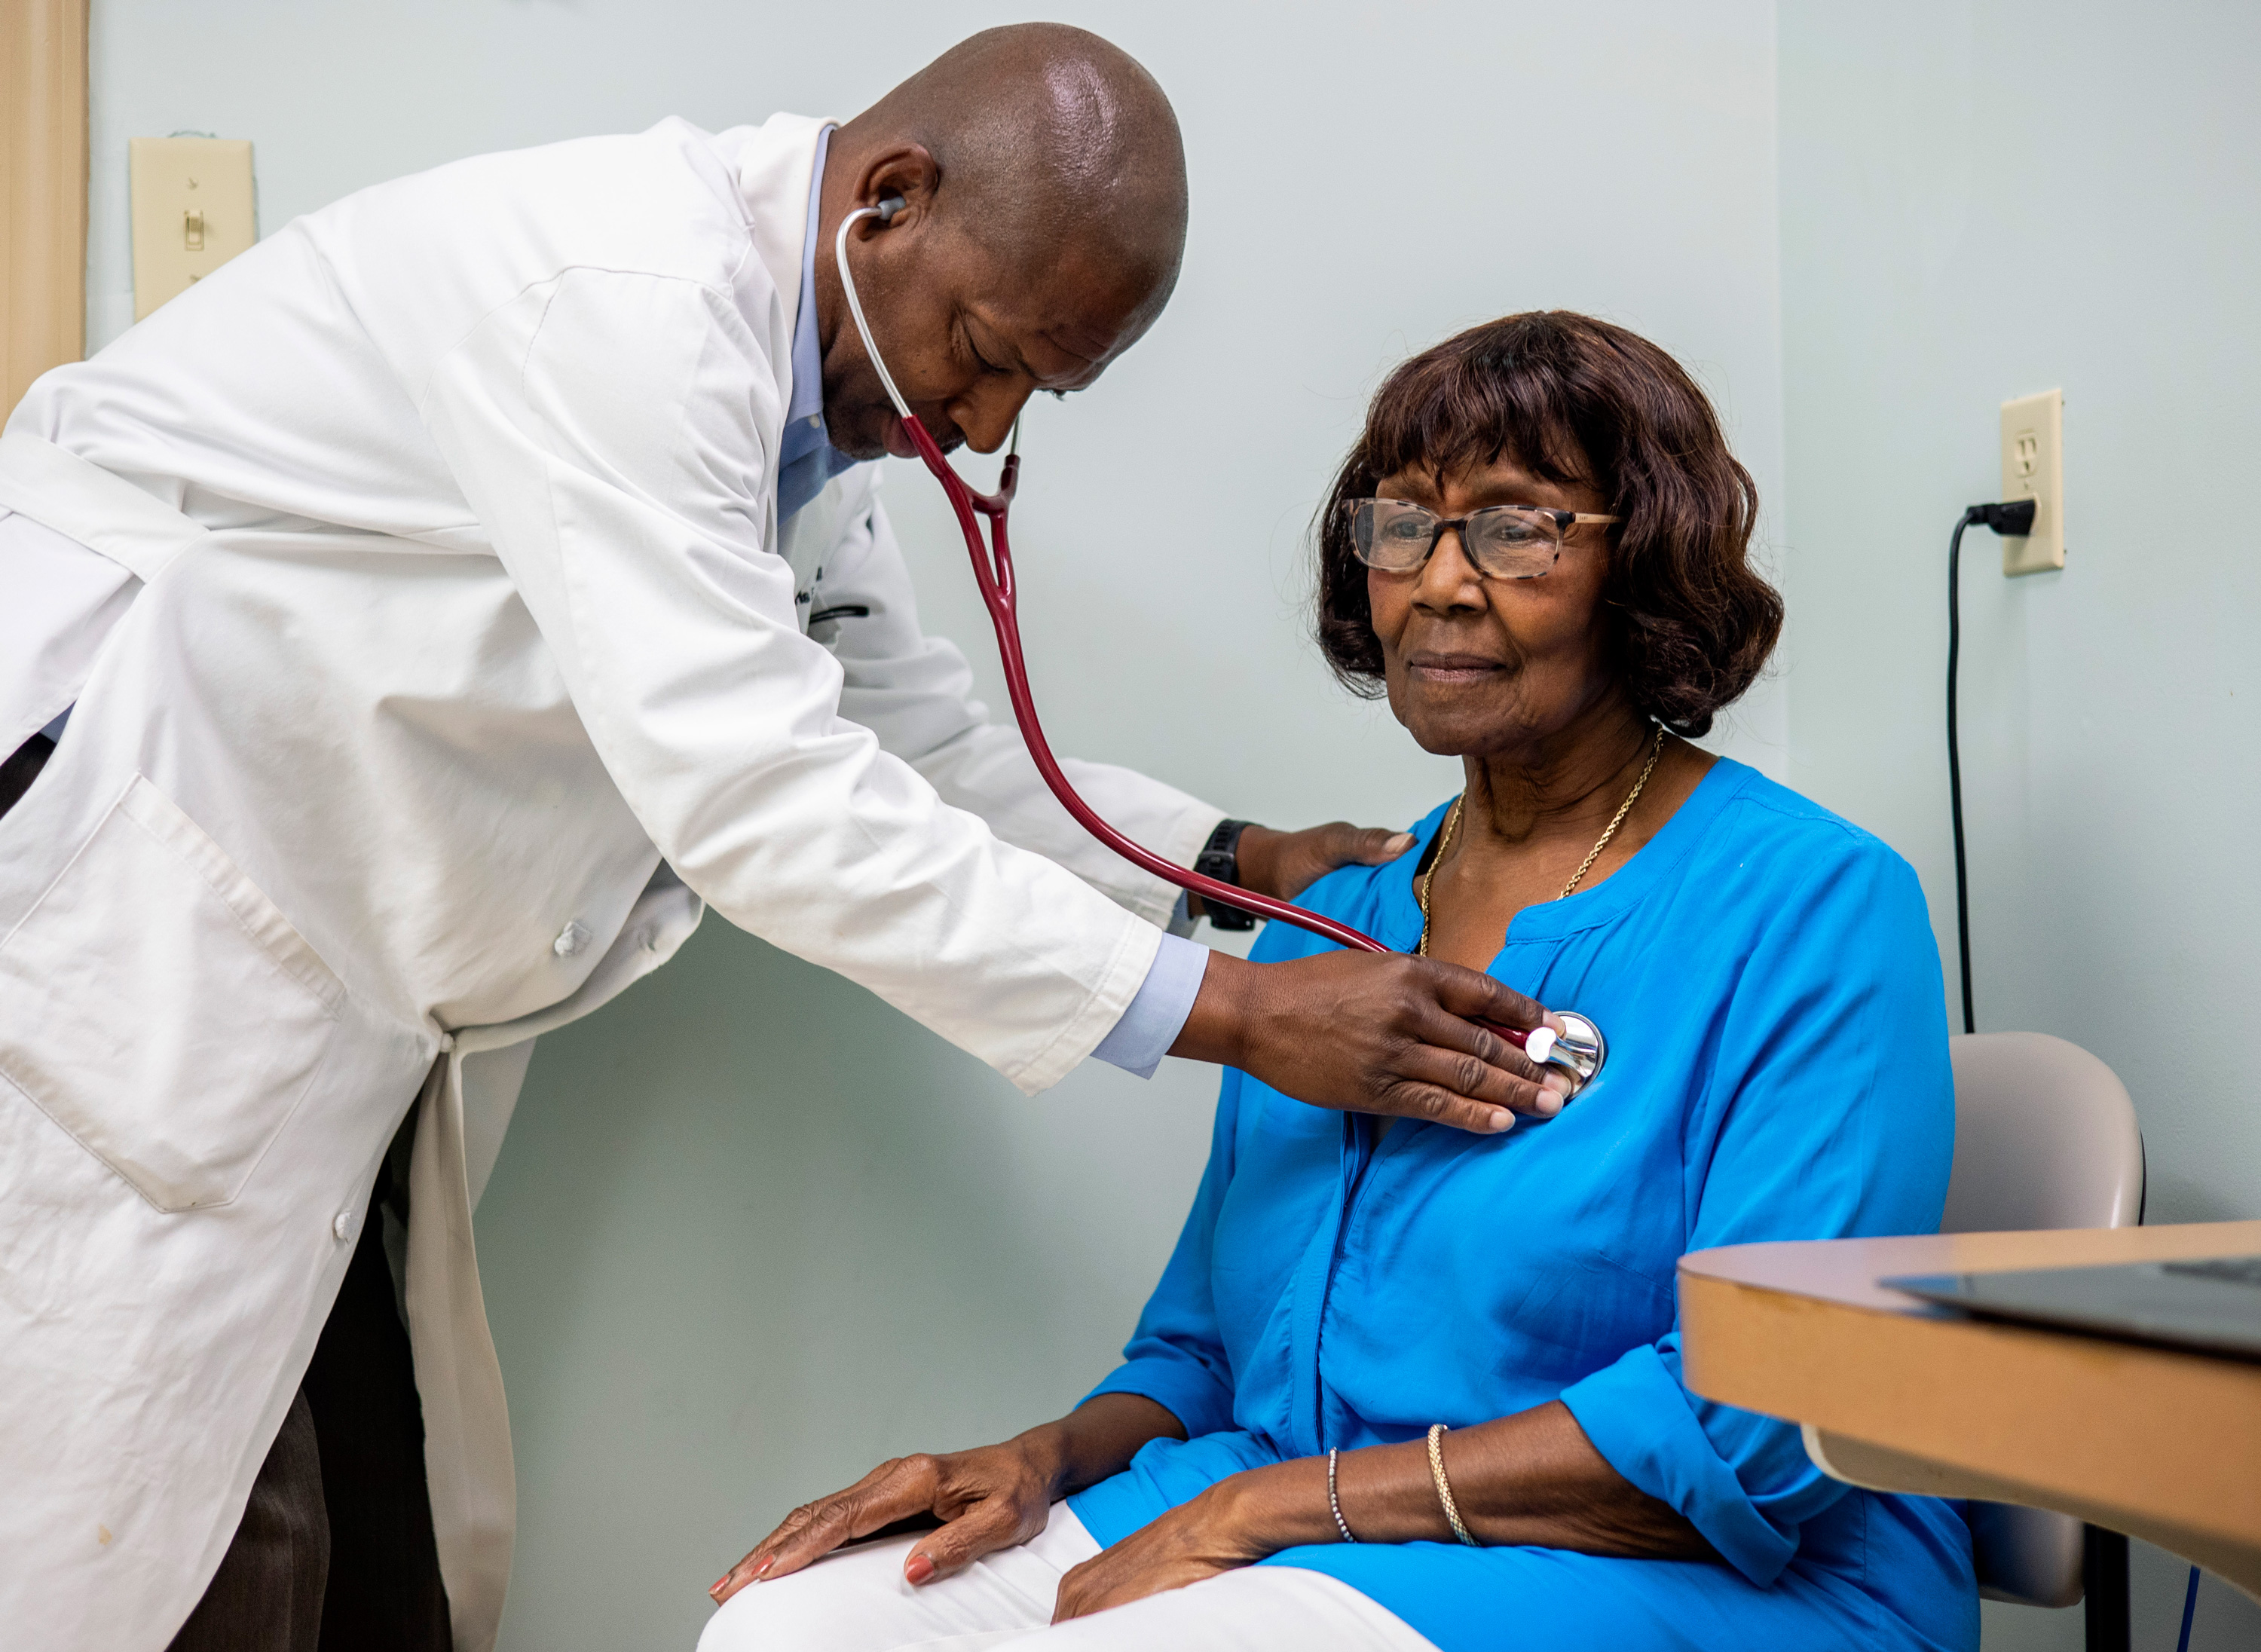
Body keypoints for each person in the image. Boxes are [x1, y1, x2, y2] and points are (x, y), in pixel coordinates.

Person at [0, 27, 1570, 1652]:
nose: (977, 421)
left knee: (366, 1555)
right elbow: (756, 784)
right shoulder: (625, 303)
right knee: (200, 1560)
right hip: (116, 910)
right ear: (889, 200)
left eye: (1039, 388)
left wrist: (1237, 863)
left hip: (302, 999)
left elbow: (917, 747)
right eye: (985, 348)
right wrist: (1234, 1015)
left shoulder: (802, 419)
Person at [701, 311, 1979, 1652]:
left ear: (1644, 560)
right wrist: (1041, 1460)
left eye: (1515, 527)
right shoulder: (1333, 924)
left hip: (1700, 1566)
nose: (1439, 580)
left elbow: (1756, 1426)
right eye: (1402, 526)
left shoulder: (1811, 905)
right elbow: (1202, 1351)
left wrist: (1269, 1514)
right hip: (1294, 1515)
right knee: (796, 1630)